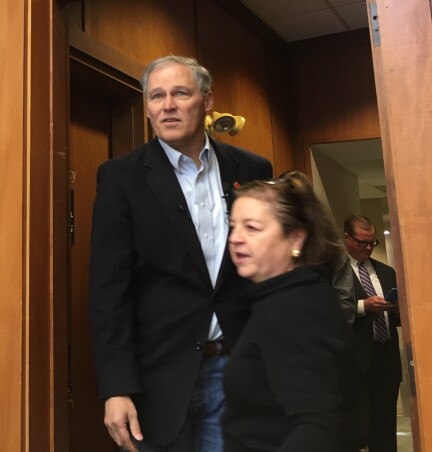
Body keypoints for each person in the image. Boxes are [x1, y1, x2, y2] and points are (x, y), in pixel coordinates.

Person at [89, 55, 272, 451]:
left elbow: (268, 273)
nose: (167, 106)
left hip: (239, 370)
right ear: (147, 107)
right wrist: (116, 387)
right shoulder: (121, 177)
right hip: (158, 382)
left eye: (181, 94)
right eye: (157, 96)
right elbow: (108, 292)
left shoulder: (252, 170)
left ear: (207, 101)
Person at [222, 171, 352, 451]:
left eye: (252, 228)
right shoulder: (279, 297)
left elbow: (317, 426)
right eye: (233, 226)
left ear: (295, 239)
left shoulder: (296, 307)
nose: (235, 238)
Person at [343, 214, 401, 452]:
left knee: (385, 426)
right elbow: (330, 311)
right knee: (358, 429)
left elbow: (400, 319)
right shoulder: (335, 272)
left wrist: (397, 309)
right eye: (362, 242)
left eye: (372, 242)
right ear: (347, 238)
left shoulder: (386, 272)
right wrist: (363, 307)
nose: (368, 247)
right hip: (355, 361)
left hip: (386, 358)